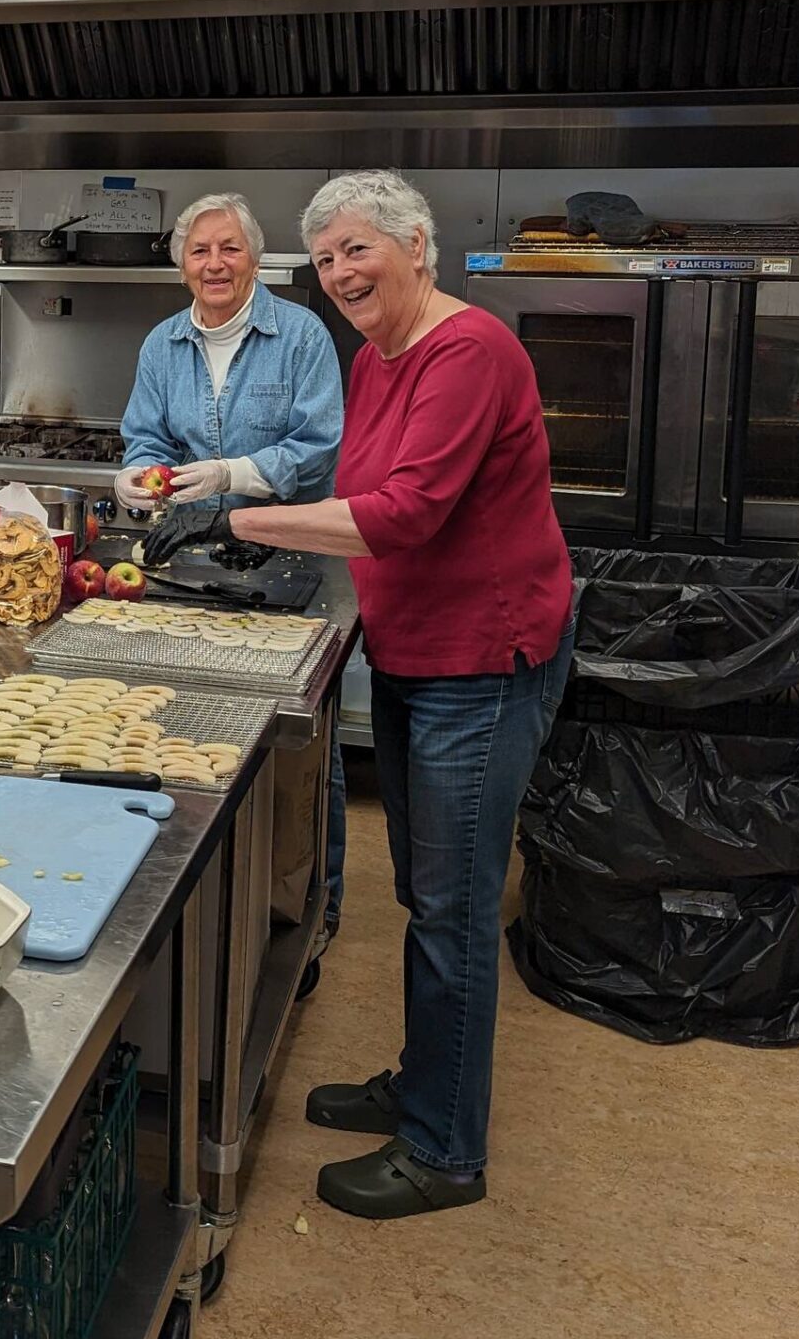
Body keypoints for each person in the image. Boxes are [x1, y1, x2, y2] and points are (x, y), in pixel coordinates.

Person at [231, 171, 574, 1221]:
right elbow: (359, 488)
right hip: (415, 649)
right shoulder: (378, 356)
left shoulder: (467, 351)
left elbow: (407, 512)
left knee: (454, 908)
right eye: (325, 258)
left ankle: (443, 1151)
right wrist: (237, 498)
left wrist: (237, 524)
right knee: (425, 895)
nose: (339, 273)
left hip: (482, 657)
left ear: (416, 245)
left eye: (356, 248)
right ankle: (426, 1084)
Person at [116, 192, 347, 936]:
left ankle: (310, 908)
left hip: (288, 556)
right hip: (190, 561)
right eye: (199, 250)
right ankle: (204, 890)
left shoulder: (301, 336)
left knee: (299, 739)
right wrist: (138, 473)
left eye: (230, 248)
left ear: (255, 257)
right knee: (192, 717)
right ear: (182, 264)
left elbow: (319, 446)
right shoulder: (163, 344)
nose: (214, 264)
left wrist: (231, 474)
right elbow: (146, 437)